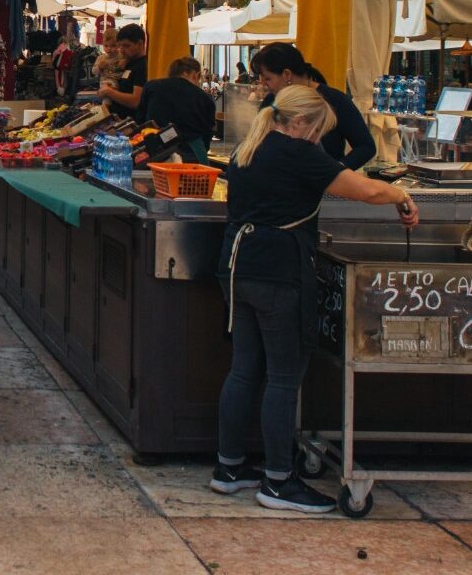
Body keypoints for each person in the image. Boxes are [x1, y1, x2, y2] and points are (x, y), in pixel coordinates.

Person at [213, 84, 418, 513]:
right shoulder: (298, 153)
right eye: (319, 130)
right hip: (278, 271)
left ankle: (228, 468)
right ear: (301, 123)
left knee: (245, 369)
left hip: (238, 265)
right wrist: (400, 195)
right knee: (285, 377)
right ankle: (278, 482)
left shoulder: (250, 148)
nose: (319, 139)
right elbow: (368, 191)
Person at [250, 42, 374, 170]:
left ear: (287, 74)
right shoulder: (271, 101)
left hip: (324, 186)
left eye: (268, 79)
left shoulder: (335, 100)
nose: (263, 84)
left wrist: (336, 171)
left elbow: (366, 147)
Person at [139, 57, 218, 162]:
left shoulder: (152, 87)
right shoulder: (204, 97)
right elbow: (208, 130)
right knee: (197, 178)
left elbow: (141, 118)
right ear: (196, 75)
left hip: (157, 150)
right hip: (192, 152)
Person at [99, 23, 147, 112]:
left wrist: (109, 91)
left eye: (126, 46)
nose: (121, 50)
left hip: (130, 122)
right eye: (120, 46)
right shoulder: (127, 63)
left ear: (140, 44)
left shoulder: (143, 66)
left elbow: (136, 101)